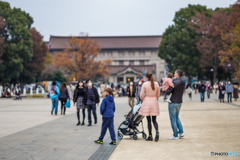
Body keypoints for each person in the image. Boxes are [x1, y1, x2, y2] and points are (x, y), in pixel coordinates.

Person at [139, 72, 160, 142]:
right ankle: (157, 131)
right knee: (154, 120)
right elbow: (158, 94)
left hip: (147, 101)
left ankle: (150, 136)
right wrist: (155, 97)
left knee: (148, 120)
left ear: (147, 77)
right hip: (154, 101)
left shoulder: (144, 84)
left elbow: (141, 95)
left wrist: (143, 99)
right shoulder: (156, 84)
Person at [165, 69, 185, 140]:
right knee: (177, 117)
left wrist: (166, 88)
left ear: (177, 74)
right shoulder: (183, 82)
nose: (174, 74)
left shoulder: (174, 82)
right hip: (179, 101)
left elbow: (168, 92)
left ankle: (175, 135)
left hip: (173, 101)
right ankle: (181, 132)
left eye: (175, 73)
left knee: (173, 119)